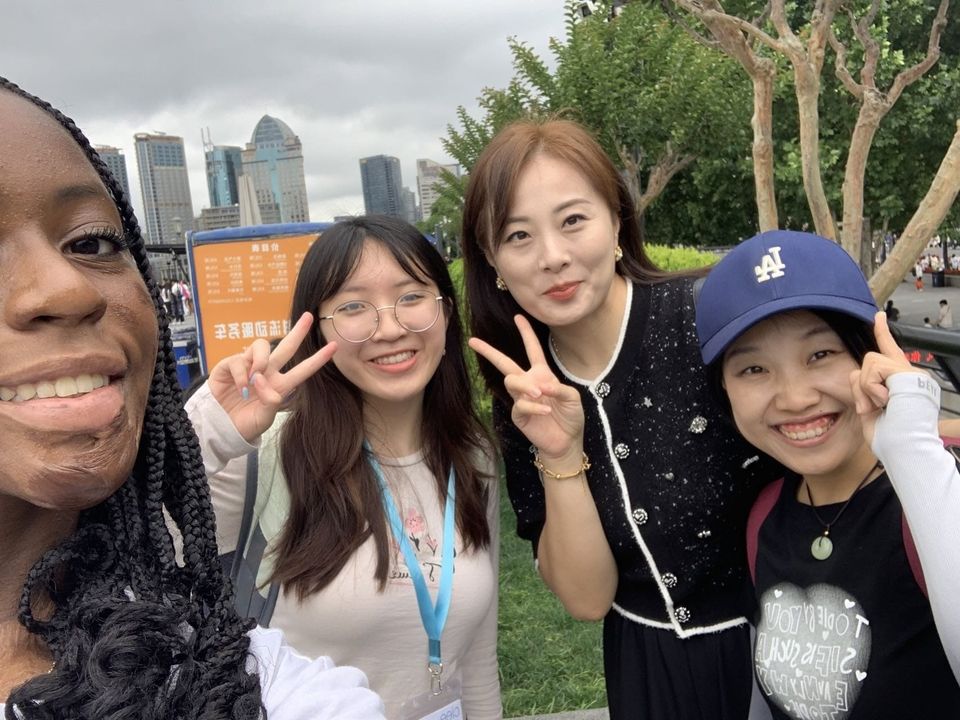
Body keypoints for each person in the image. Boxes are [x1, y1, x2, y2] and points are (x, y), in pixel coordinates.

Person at [0, 77, 385, 719]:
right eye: (354, 305)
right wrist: (216, 424)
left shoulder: (223, 680)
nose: (66, 289)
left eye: (92, 241)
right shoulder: (276, 451)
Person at [461, 118, 777, 719]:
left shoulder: (706, 321)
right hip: (646, 671)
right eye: (518, 236)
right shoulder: (525, 395)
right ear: (493, 261)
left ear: (616, 223)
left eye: (573, 220)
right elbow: (586, 597)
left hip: (782, 654)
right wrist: (560, 456)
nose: (553, 257)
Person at [186, 216, 502, 719]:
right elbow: (129, 528)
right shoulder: (264, 458)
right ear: (317, 328)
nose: (391, 327)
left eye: (412, 296)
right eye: (354, 307)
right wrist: (211, 428)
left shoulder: (470, 455)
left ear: (445, 311)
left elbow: (479, 658)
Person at [696, 230, 960, 718]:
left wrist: (914, 450)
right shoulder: (763, 516)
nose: (795, 398)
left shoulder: (940, 492)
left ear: (870, 355)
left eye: (820, 354)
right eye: (753, 370)